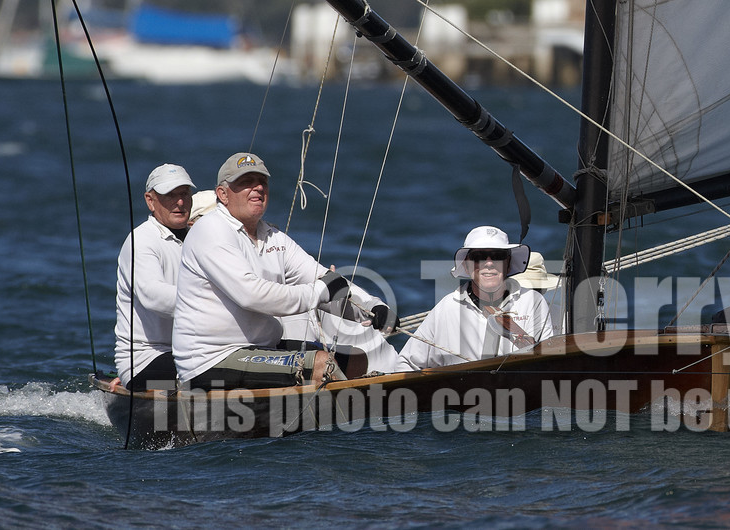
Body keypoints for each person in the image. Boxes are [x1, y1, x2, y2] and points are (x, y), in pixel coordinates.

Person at [173, 151, 391, 389]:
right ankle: (338, 423)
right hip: (211, 360)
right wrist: (318, 292)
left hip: (260, 350)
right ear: (222, 194)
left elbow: (324, 279)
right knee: (322, 365)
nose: (257, 188)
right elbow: (251, 294)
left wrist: (372, 307)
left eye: (262, 182)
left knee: (356, 360)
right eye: (246, 182)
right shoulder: (210, 229)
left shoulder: (273, 237)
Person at [398, 226, 553, 371]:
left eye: (498, 256)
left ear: (508, 263)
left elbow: (547, 363)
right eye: (478, 257)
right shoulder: (446, 308)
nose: (489, 263)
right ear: (466, 266)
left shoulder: (532, 301)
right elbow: (405, 364)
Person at [114, 163, 195, 390]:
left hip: (192, 352)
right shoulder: (140, 241)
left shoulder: (199, 238)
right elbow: (154, 296)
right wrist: (211, 302)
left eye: (184, 194)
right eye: (170, 195)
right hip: (145, 359)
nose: (179, 202)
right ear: (150, 200)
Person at [517, 250, 565, 337]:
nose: (531, 295)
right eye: (526, 290)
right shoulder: (562, 315)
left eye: (535, 289)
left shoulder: (563, 316)